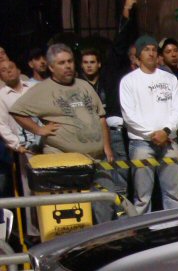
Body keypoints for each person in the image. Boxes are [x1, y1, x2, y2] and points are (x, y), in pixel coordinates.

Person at [11, 43, 117, 222]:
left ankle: (107, 238)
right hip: (65, 160)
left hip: (97, 159)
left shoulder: (84, 85)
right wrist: (39, 129)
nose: (68, 66)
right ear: (51, 67)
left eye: (70, 61)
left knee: (106, 205)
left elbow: (100, 117)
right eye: (61, 63)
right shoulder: (42, 89)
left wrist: (106, 146)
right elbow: (17, 111)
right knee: (73, 213)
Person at [118, 35, 178, 213]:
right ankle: (143, 227)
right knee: (143, 197)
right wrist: (153, 133)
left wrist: (166, 131)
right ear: (138, 55)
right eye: (146, 49)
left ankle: (174, 225)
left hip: (169, 141)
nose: (151, 53)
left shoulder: (169, 79)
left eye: (154, 49)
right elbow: (129, 115)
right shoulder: (129, 81)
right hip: (141, 143)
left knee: (173, 194)